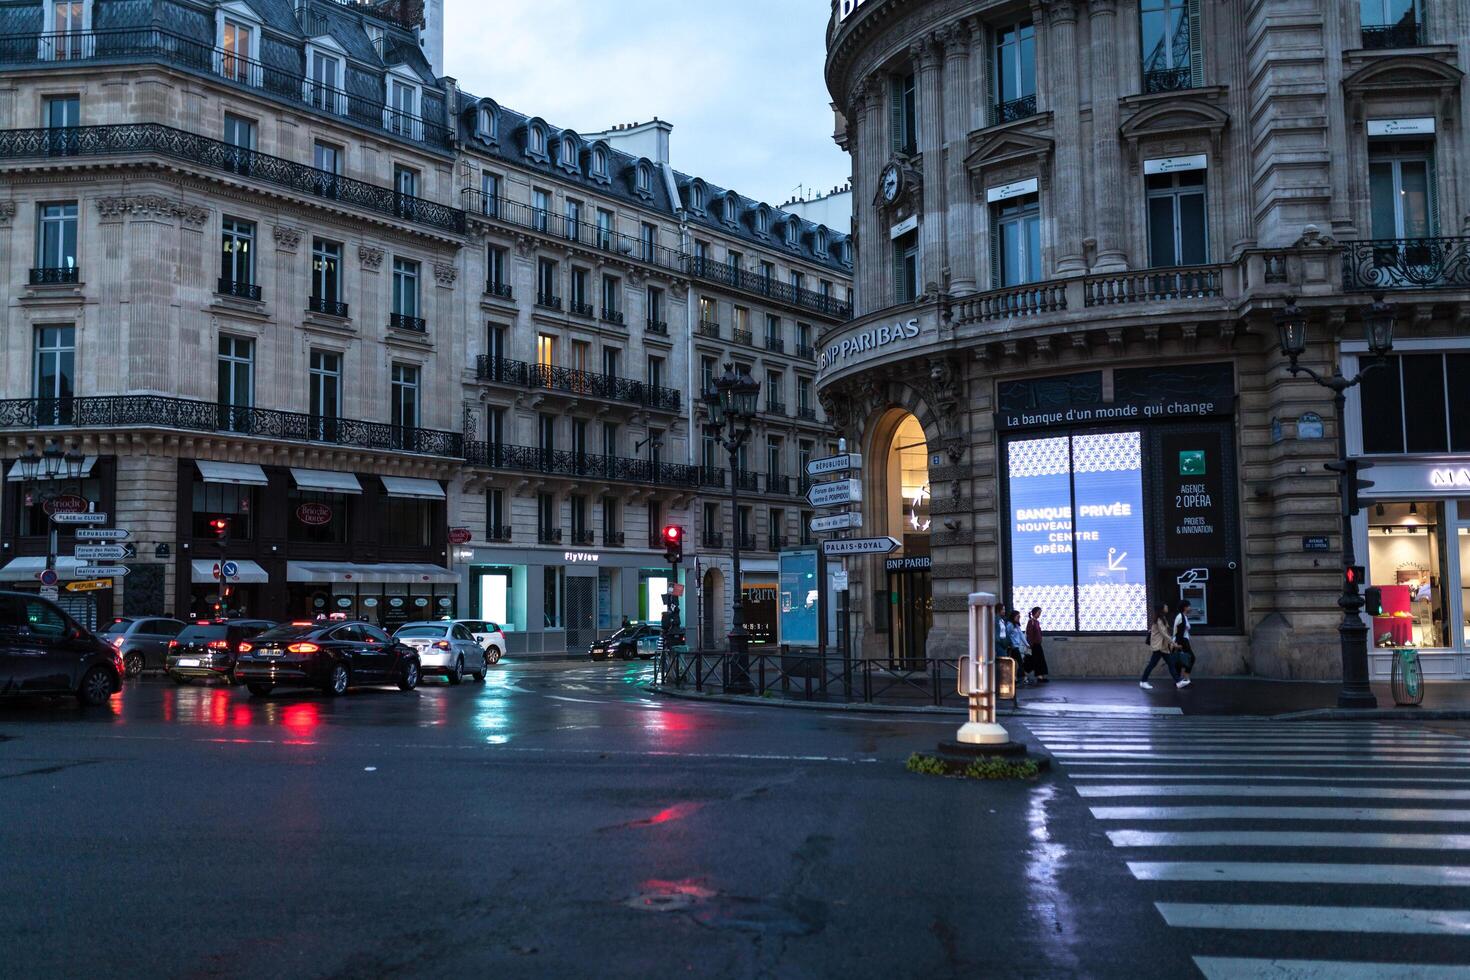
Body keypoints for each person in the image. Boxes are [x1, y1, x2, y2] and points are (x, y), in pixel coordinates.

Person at [1140, 604, 1180, 689]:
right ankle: (1143, 681)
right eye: (1165, 606)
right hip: (1159, 646)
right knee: (1152, 664)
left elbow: (1167, 631)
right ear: (1161, 609)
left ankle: (1178, 682)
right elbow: (1164, 634)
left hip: (1163, 646)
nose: (1167, 607)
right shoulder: (1159, 620)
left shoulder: (1163, 618)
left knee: (1170, 664)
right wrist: (1173, 643)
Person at [1024, 606, 1050, 683]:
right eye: (1038, 613)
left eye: (1040, 613)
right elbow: (1030, 634)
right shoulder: (1031, 622)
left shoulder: (1036, 622)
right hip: (1034, 645)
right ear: (1034, 613)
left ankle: (1040, 676)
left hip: (1038, 644)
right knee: (1035, 661)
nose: (1039, 614)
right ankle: (1029, 675)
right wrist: (1031, 644)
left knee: (1038, 661)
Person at [1173, 600, 1195, 688]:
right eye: (1189, 606)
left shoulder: (1183, 616)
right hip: (1182, 641)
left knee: (1179, 660)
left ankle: (1179, 681)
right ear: (1185, 607)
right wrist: (1179, 643)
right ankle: (1185, 678)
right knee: (1191, 658)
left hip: (1182, 640)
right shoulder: (1181, 616)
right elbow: (1179, 632)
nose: (1190, 608)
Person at [1007, 610, 1031, 685]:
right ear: (1013, 616)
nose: (1019, 618)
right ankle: (1023, 678)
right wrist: (1010, 644)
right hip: (1013, 647)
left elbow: (1021, 635)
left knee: (1016, 663)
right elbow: (1007, 635)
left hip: (1016, 646)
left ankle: (1015, 678)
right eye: (1017, 617)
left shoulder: (1016, 626)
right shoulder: (1010, 625)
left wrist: (1027, 644)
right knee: (1019, 662)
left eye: (1019, 617)